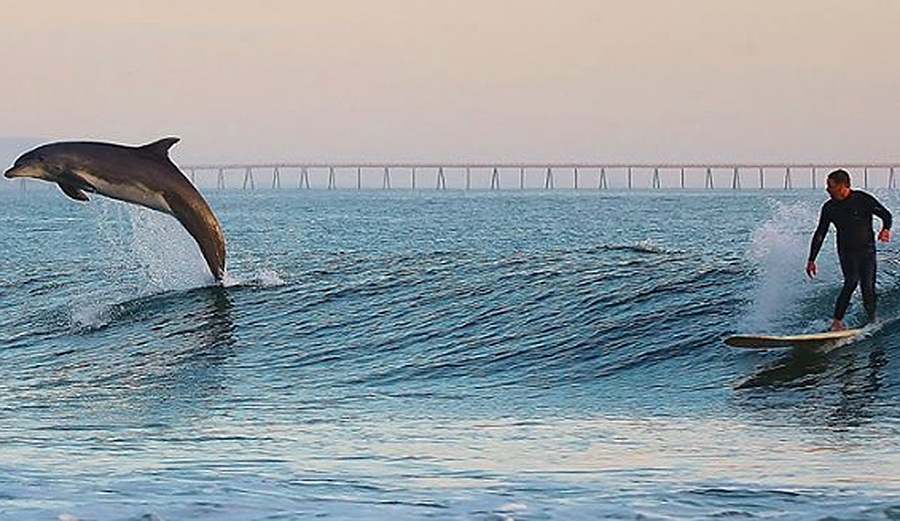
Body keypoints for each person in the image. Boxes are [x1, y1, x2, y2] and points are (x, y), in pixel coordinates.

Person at [806, 169, 892, 331]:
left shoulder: (863, 199)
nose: (827, 189)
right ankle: (837, 322)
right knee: (851, 281)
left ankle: (873, 320)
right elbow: (820, 233)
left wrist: (886, 228)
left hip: (867, 251)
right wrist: (812, 259)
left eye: (830, 186)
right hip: (846, 252)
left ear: (842, 186)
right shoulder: (829, 207)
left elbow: (886, 215)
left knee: (868, 288)